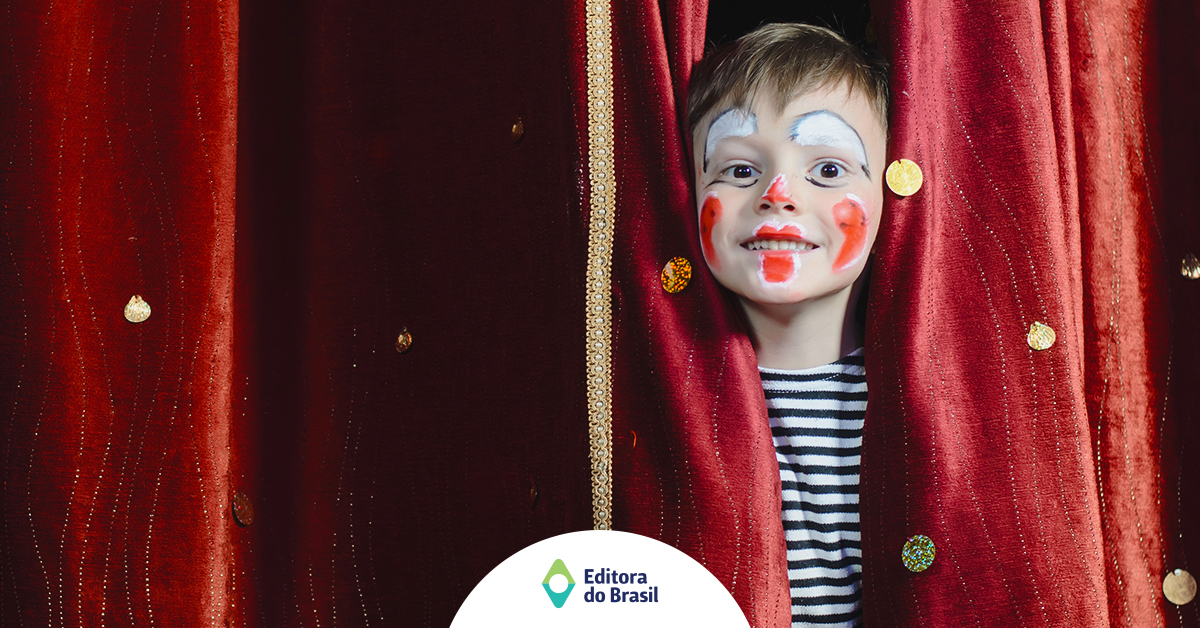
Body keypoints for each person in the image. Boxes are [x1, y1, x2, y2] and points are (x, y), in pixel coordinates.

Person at [687, 23, 888, 627]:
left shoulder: (913, 406)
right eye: (739, 171)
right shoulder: (666, 398)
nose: (778, 194)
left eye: (826, 170)